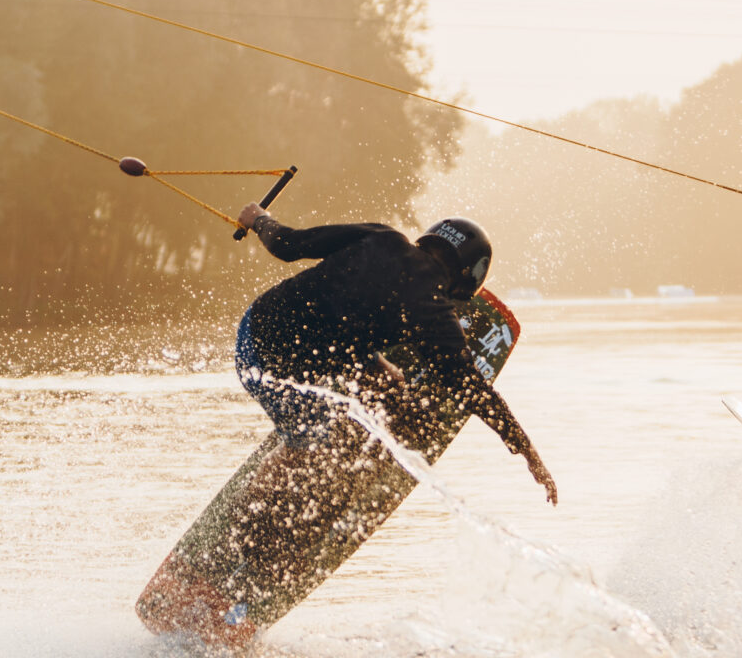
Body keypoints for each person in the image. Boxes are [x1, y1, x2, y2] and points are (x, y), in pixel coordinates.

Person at [233, 205, 557, 506]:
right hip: (266, 361)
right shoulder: (434, 312)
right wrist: (527, 451)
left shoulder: (382, 237)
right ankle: (251, 520)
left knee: (389, 380)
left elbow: (287, 245)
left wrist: (259, 218)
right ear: (468, 278)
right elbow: (471, 390)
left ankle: (369, 417)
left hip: (261, 320)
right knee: (312, 446)